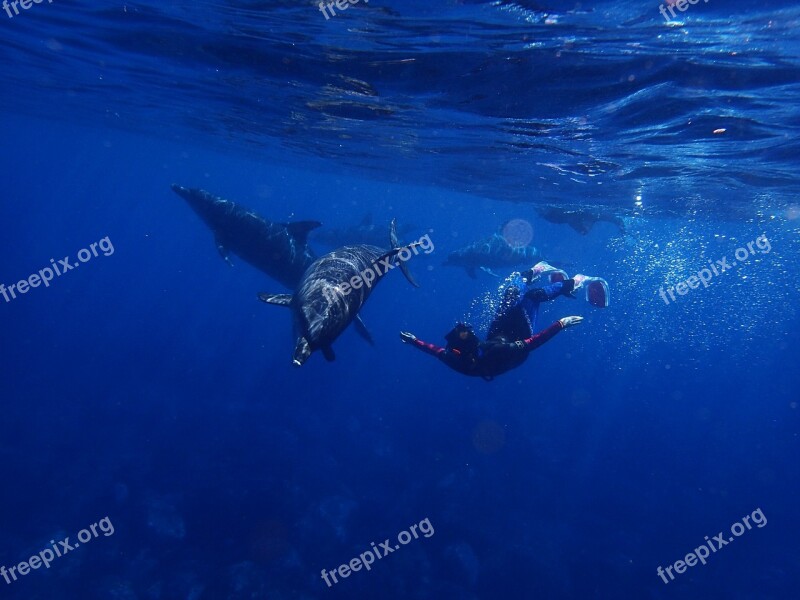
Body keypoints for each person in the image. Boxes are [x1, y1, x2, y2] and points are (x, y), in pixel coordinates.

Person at [400, 262, 609, 381]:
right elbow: (534, 342)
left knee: (510, 292)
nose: (471, 333)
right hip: (519, 338)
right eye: (468, 336)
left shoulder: (454, 357)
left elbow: (435, 350)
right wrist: (561, 324)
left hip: (497, 334)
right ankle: (576, 281)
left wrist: (413, 341)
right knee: (533, 297)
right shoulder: (498, 352)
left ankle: (532, 272)